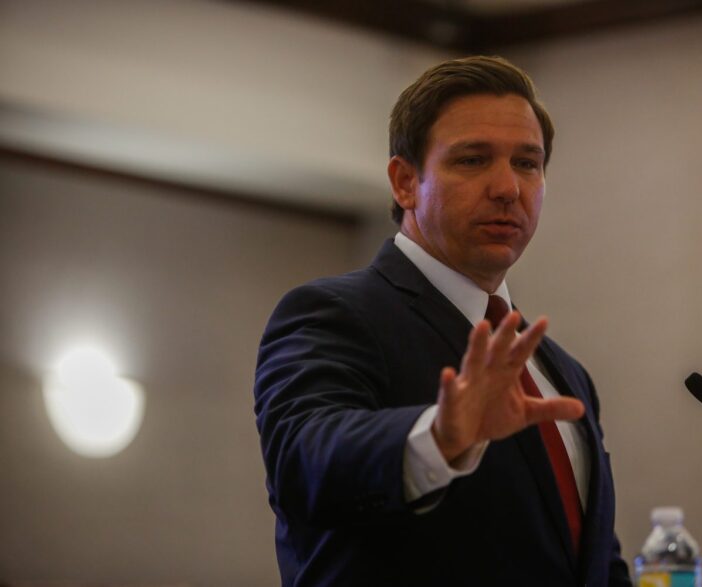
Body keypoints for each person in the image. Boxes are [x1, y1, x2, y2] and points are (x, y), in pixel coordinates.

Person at [254, 55, 631, 586]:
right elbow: (306, 462)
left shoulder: (566, 376)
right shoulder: (334, 315)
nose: (508, 188)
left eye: (527, 163)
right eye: (474, 160)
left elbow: (591, 563)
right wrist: (440, 437)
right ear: (405, 182)